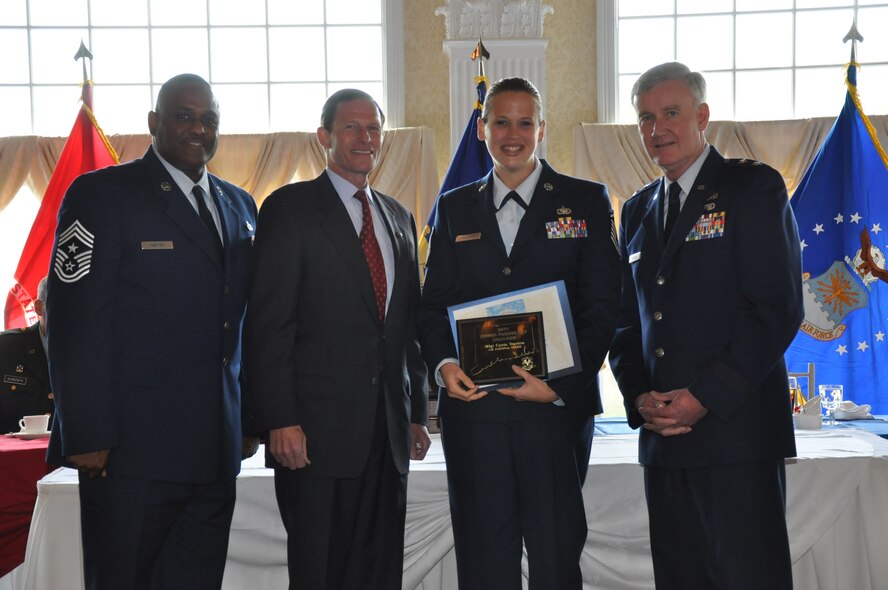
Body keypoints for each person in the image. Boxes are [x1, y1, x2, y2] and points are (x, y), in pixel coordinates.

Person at [45, 73, 258, 590]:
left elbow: (243, 324)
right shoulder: (102, 194)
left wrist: (250, 419)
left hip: (214, 449)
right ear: (154, 123)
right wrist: (87, 432)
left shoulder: (239, 205)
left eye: (209, 119)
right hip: (129, 453)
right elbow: (74, 321)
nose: (198, 128)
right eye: (184, 116)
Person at [417, 77, 621, 589]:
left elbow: (603, 308)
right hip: (475, 416)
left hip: (554, 414)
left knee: (555, 558)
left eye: (524, 122)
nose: (513, 134)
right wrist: (444, 366)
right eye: (501, 122)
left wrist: (560, 388)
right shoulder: (455, 206)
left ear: (542, 129)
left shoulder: (587, 201)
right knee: (484, 562)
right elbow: (433, 304)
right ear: (482, 130)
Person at [609, 62, 804, 589]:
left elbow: (777, 309)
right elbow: (625, 325)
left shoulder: (751, 188)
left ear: (702, 116)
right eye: (646, 118)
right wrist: (639, 398)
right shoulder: (635, 211)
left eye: (670, 114)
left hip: (734, 435)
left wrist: (704, 396)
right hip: (664, 441)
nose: (657, 129)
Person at [244, 88, 431, 590]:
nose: (364, 137)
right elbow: (269, 326)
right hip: (315, 438)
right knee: (320, 572)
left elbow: (405, 329)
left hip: (387, 437)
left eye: (373, 128)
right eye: (351, 127)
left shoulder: (398, 217)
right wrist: (280, 419)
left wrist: (415, 414)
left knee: (379, 571)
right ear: (324, 137)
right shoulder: (289, 208)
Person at [0, 276, 53, 434]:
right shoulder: (5, 348)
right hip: (15, 456)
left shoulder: (97, 352)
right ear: (38, 308)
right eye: (59, 307)